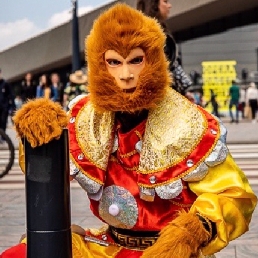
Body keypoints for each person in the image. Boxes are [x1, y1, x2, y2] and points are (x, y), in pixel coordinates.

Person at [1, 4, 257, 258]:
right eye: (114, 62)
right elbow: (46, 172)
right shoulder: (85, 115)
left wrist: (190, 233)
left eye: (136, 61)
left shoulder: (190, 121)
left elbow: (234, 196)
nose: (125, 75)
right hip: (109, 246)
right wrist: (41, 135)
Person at [136, 0, 192, 96]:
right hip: (163, 96)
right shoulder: (150, 34)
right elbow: (169, 67)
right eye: (165, 1)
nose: (169, 6)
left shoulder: (140, 31)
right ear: (154, 5)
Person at [0, 68, 15, 138]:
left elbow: (11, 95)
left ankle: (3, 137)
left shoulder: (5, 84)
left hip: (4, 107)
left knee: (3, 122)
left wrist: (13, 106)